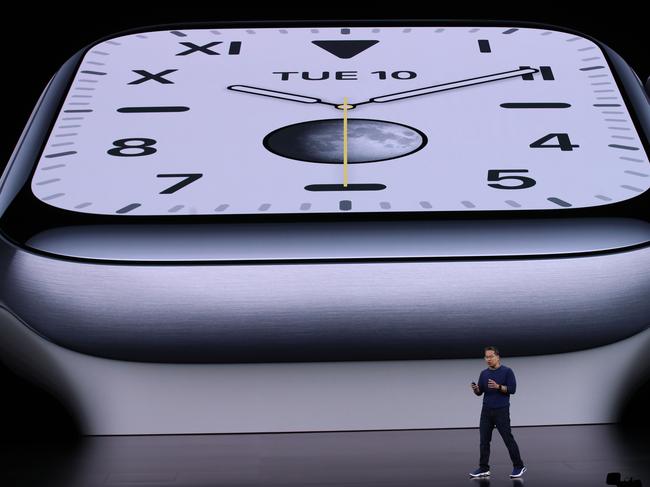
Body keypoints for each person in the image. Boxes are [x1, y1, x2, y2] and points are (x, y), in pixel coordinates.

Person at [469, 346, 526, 479]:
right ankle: (484, 468)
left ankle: (519, 466)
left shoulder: (507, 371)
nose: (488, 359)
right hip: (486, 411)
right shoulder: (483, 373)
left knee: (508, 439)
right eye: (486, 357)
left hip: (501, 410)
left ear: (497, 357)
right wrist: (476, 389)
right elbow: (480, 393)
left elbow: (512, 389)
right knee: (484, 441)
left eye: (491, 356)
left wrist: (499, 386)